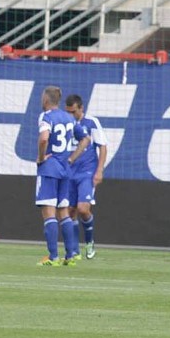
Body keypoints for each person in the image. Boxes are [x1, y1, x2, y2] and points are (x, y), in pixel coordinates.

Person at [35, 86, 90, 267]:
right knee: (63, 212)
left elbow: (44, 138)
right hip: (65, 170)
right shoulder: (69, 118)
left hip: (50, 169)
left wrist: (41, 158)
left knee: (49, 213)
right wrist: (71, 158)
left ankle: (53, 257)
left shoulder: (46, 117)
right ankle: (71, 254)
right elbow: (85, 139)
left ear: (46, 99)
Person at [64, 94, 108, 260]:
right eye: (68, 111)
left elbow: (102, 147)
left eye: (73, 111)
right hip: (69, 172)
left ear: (81, 108)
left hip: (87, 172)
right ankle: (74, 250)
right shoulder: (66, 124)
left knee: (83, 209)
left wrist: (99, 171)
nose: (71, 115)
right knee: (70, 211)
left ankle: (89, 243)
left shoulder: (92, 122)